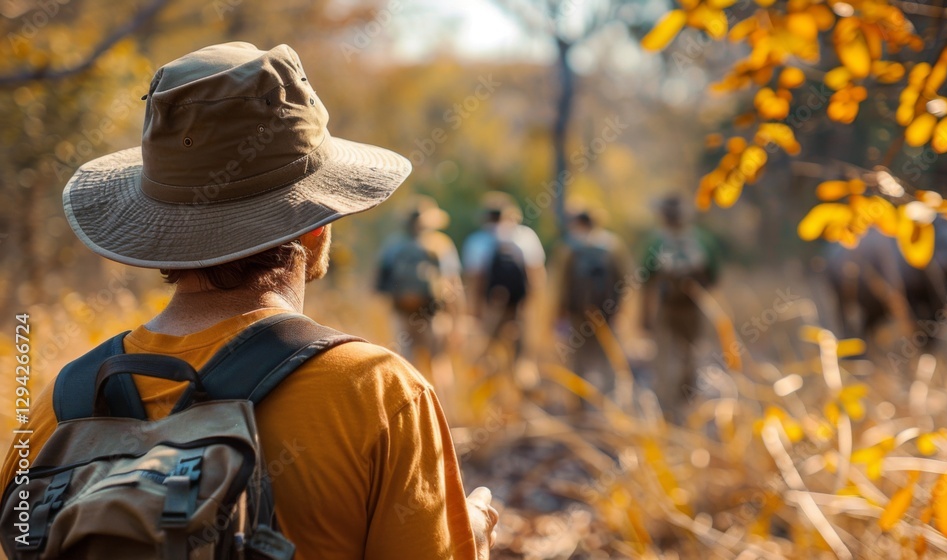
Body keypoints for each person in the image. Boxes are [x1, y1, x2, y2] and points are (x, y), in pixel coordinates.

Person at [1, 43, 497, 559]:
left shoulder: (61, 409)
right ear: (317, 223)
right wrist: (472, 539)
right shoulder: (379, 394)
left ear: (163, 231)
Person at [375, 195, 464, 408]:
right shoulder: (440, 245)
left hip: (402, 314)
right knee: (439, 365)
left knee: (407, 366)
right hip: (433, 315)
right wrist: (456, 319)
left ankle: (411, 411)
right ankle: (445, 413)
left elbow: (379, 286)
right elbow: (453, 286)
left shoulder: (393, 246)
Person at [642, 195, 719, 417]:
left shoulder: (654, 242)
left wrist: (645, 317)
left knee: (665, 355)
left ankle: (666, 407)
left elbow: (646, 282)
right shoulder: (703, 240)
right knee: (691, 354)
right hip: (694, 307)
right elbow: (713, 278)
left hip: (666, 308)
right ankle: (689, 402)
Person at [552, 205, 632, 395]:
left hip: (578, 311)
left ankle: (578, 402)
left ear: (578, 223)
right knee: (607, 355)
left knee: (578, 356)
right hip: (607, 311)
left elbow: (561, 283)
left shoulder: (569, 246)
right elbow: (625, 279)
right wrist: (620, 310)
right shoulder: (614, 246)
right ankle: (609, 401)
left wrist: (559, 313)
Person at [461, 192, 545, 366]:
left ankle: (493, 390)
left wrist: (473, 312)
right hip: (520, 307)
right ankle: (520, 388)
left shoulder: (477, 241)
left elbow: (474, 279)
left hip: (490, 306)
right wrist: (534, 307)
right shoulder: (526, 236)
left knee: (487, 355)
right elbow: (537, 276)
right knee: (520, 357)